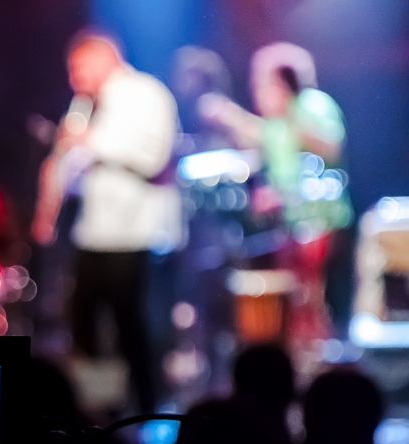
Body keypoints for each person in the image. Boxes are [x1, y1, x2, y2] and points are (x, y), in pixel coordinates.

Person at [32, 31, 178, 414]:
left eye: (78, 68)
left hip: (135, 232)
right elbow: (67, 165)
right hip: (93, 233)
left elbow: (154, 156)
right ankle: (100, 410)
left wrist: (90, 140)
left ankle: (147, 409)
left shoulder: (146, 94)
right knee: (84, 326)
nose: (74, 79)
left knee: (132, 326)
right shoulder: (87, 106)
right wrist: (49, 200)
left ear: (104, 57)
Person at [200, 43, 353, 346]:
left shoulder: (311, 106)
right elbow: (258, 137)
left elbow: (330, 148)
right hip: (292, 223)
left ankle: (320, 351)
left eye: (261, 83)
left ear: (283, 82)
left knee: (311, 295)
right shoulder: (278, 122)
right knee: (298, 295)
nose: (255, 91)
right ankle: (304, 351)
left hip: (321, 222)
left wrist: (290, 114)